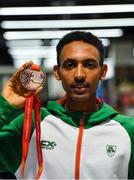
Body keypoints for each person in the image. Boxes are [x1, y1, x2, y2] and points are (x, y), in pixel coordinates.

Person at [0, 31, 134, 179]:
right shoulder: (31, 124)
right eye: (70, 65)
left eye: (89, 65)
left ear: (103, 72)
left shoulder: (128, 131)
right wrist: (5, 106)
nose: (79, 75)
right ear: (57, 72)